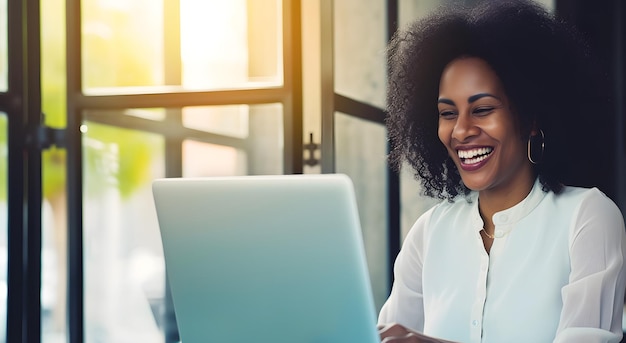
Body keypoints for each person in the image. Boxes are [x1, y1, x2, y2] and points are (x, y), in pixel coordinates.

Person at [377, 1, 626, 342]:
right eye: (448, 113)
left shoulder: (587, 217)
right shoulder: (428, 233)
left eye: (482, 109)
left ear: (531, 118)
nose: (461, 131)